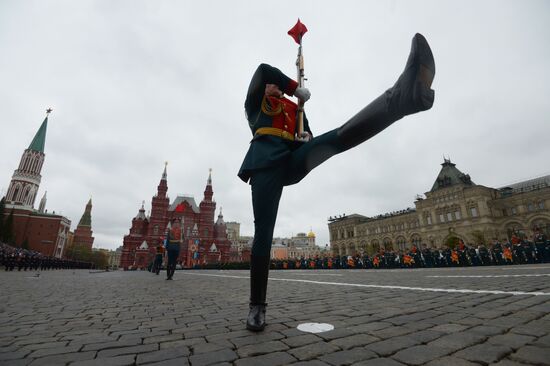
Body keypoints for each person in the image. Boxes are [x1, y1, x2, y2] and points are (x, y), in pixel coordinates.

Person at [238, 33, 435, 331]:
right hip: (264, 164)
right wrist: (294, 88)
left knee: (340, 137)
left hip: (290, 160)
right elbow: (264, 69)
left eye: (278, 87)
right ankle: (257, 305)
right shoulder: (255, 105)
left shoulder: (296, 111)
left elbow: (312, 137)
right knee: (264, 231)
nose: (272, 86)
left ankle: (400, 99)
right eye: (272, 86)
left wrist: (307, 138)